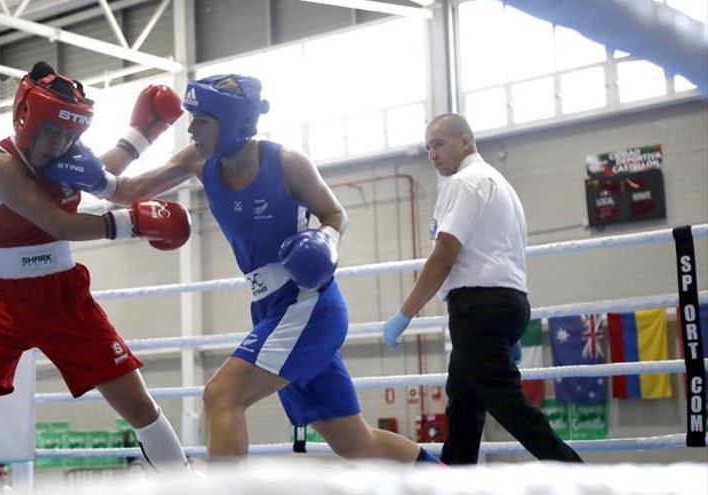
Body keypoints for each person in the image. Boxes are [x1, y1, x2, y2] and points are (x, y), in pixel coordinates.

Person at [43, 74, 440, 464]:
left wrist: (327, 240)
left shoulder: (286, 163)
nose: (191, 128)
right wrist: (90, 173)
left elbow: (335, 213)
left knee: (222, 396)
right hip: (271, 309)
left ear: (236, 126)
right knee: (355, 443)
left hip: (309, 306)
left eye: (202, 120)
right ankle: (442, 480)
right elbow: (128, 190)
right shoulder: (198, 159)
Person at [0, 61, 192, 493]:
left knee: (138, 404)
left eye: (71, 136)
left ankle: (187, 485)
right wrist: (133, 224)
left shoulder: (65, 155)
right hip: (2, 302)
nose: (62, 144)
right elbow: (59, 223)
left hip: (64, 297)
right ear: (24, 118)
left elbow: (107, 178)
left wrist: (142, 133)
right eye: (54, 132)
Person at [381, 113, 583, 465]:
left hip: (479, 307)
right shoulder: (499, 184)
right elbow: (503, 252)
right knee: (464, 405)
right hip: (506, 301)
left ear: (465, 141)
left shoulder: (465, 183)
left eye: (438, 144)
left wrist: (405, 313)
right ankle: (455, 480)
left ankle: (578, 476)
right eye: (428, 147)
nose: (432, 154)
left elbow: (444, 256)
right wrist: (508, 326)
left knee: (507, 403)